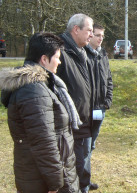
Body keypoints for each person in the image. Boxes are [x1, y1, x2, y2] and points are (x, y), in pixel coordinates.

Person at [0, 32, 80, 193]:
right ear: (44, 59)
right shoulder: (34, 91)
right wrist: (55, 183)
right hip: (44, 180)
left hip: (45, 173)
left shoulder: (41, 85)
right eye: (57, 57)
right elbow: (44, 142)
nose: (59, 61)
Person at [56, 13, 96, 193]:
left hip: (85, 123)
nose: (92, 35)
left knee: (81, 167)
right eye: (89, 30)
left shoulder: (83, 52)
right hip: (69, 128)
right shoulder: (60, 53)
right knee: (72, 171)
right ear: (75, 29)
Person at [85, 24, 113, 190]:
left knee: (91, 145)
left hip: (99, 109)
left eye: (102, 35)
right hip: (86, 110)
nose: (100, 38)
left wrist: (107, 100)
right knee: (84, 145)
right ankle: (82, 182)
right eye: (97, 35)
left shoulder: (103, 54)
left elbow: (108, 79)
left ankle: (85, 179)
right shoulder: (83, 54)